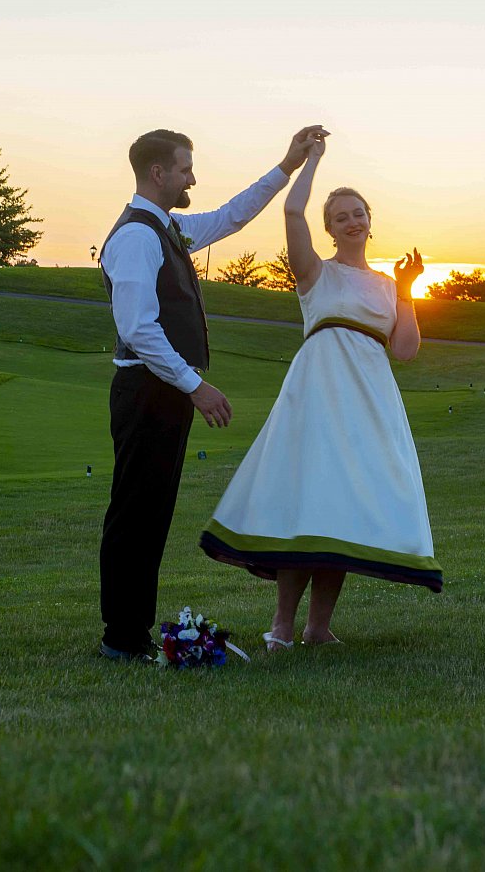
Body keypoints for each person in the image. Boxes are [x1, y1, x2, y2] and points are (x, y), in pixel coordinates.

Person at [198, 134, 442, 651]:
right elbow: (291, 211)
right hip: (318, 397)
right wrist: (311, 162)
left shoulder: (384, 285)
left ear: (370, 221)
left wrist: (407, 290)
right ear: (329, 229)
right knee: (310, 504)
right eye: (342, 217)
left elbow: (404, 350)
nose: (353, 221)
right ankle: (282, 626)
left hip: (370, 404)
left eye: (359, 214)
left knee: (343, 511)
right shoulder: (316, 274)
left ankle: (318, 627)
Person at [98, 125, 329, 661]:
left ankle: (131, 631)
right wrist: (195, 385)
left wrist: (286, 166)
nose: (192, 178)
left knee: (152, 513)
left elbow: (231, 216)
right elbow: (138, 329)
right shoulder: (136, 236)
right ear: (158, 173)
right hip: (146, 393)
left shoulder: (166, 227)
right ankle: (122, 637)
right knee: (135, 513)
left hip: (162, 394)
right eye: (184, 168)